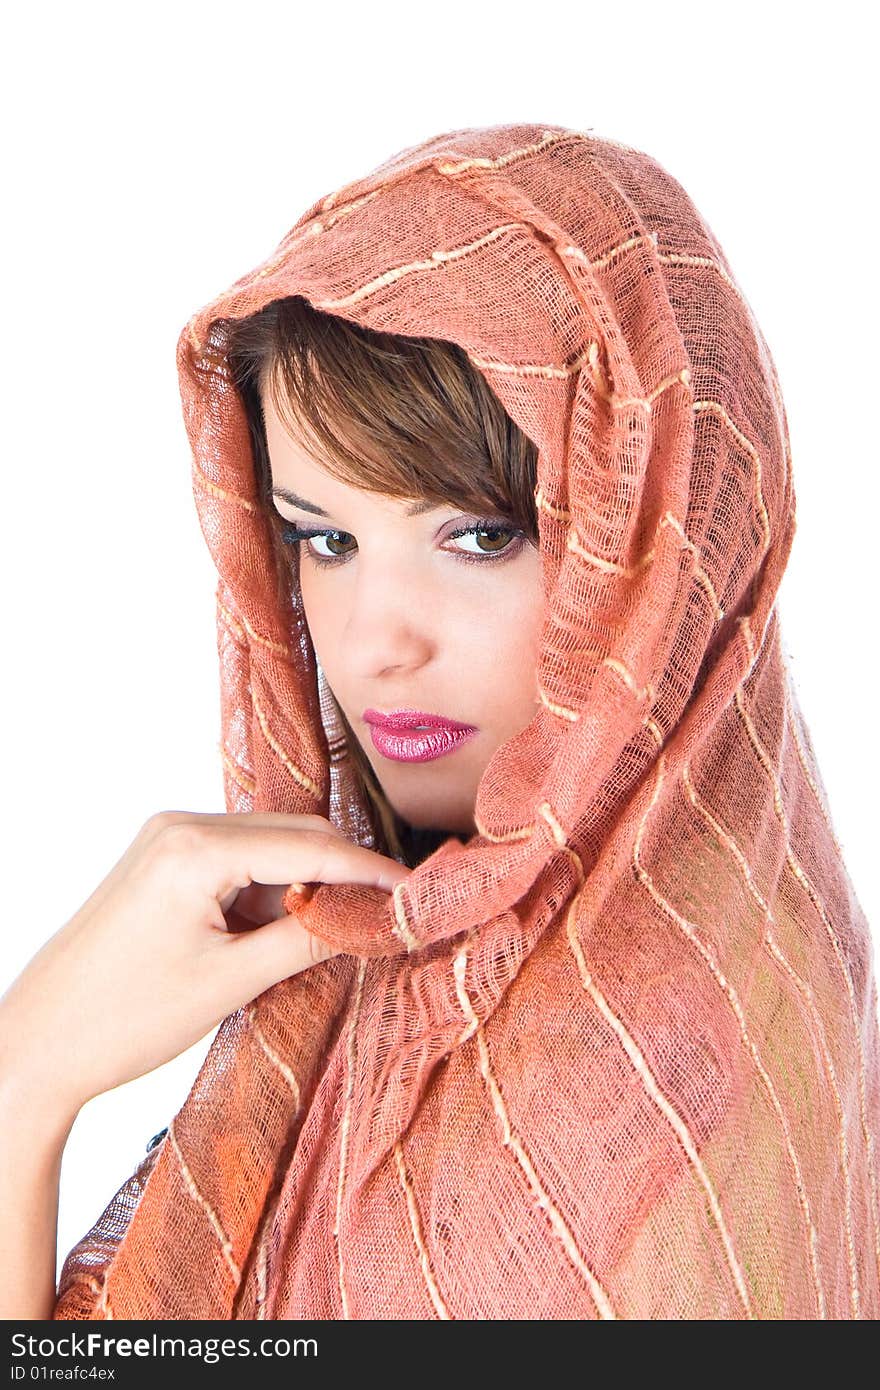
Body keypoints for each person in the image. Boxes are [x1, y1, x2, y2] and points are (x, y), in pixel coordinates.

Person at [1, 121, 878, 1320]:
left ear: (658, 557)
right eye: (326, 539)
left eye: (478, 533)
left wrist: (25, 1076)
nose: (374, 640)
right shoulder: (392, 963)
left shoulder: (631, 1064)